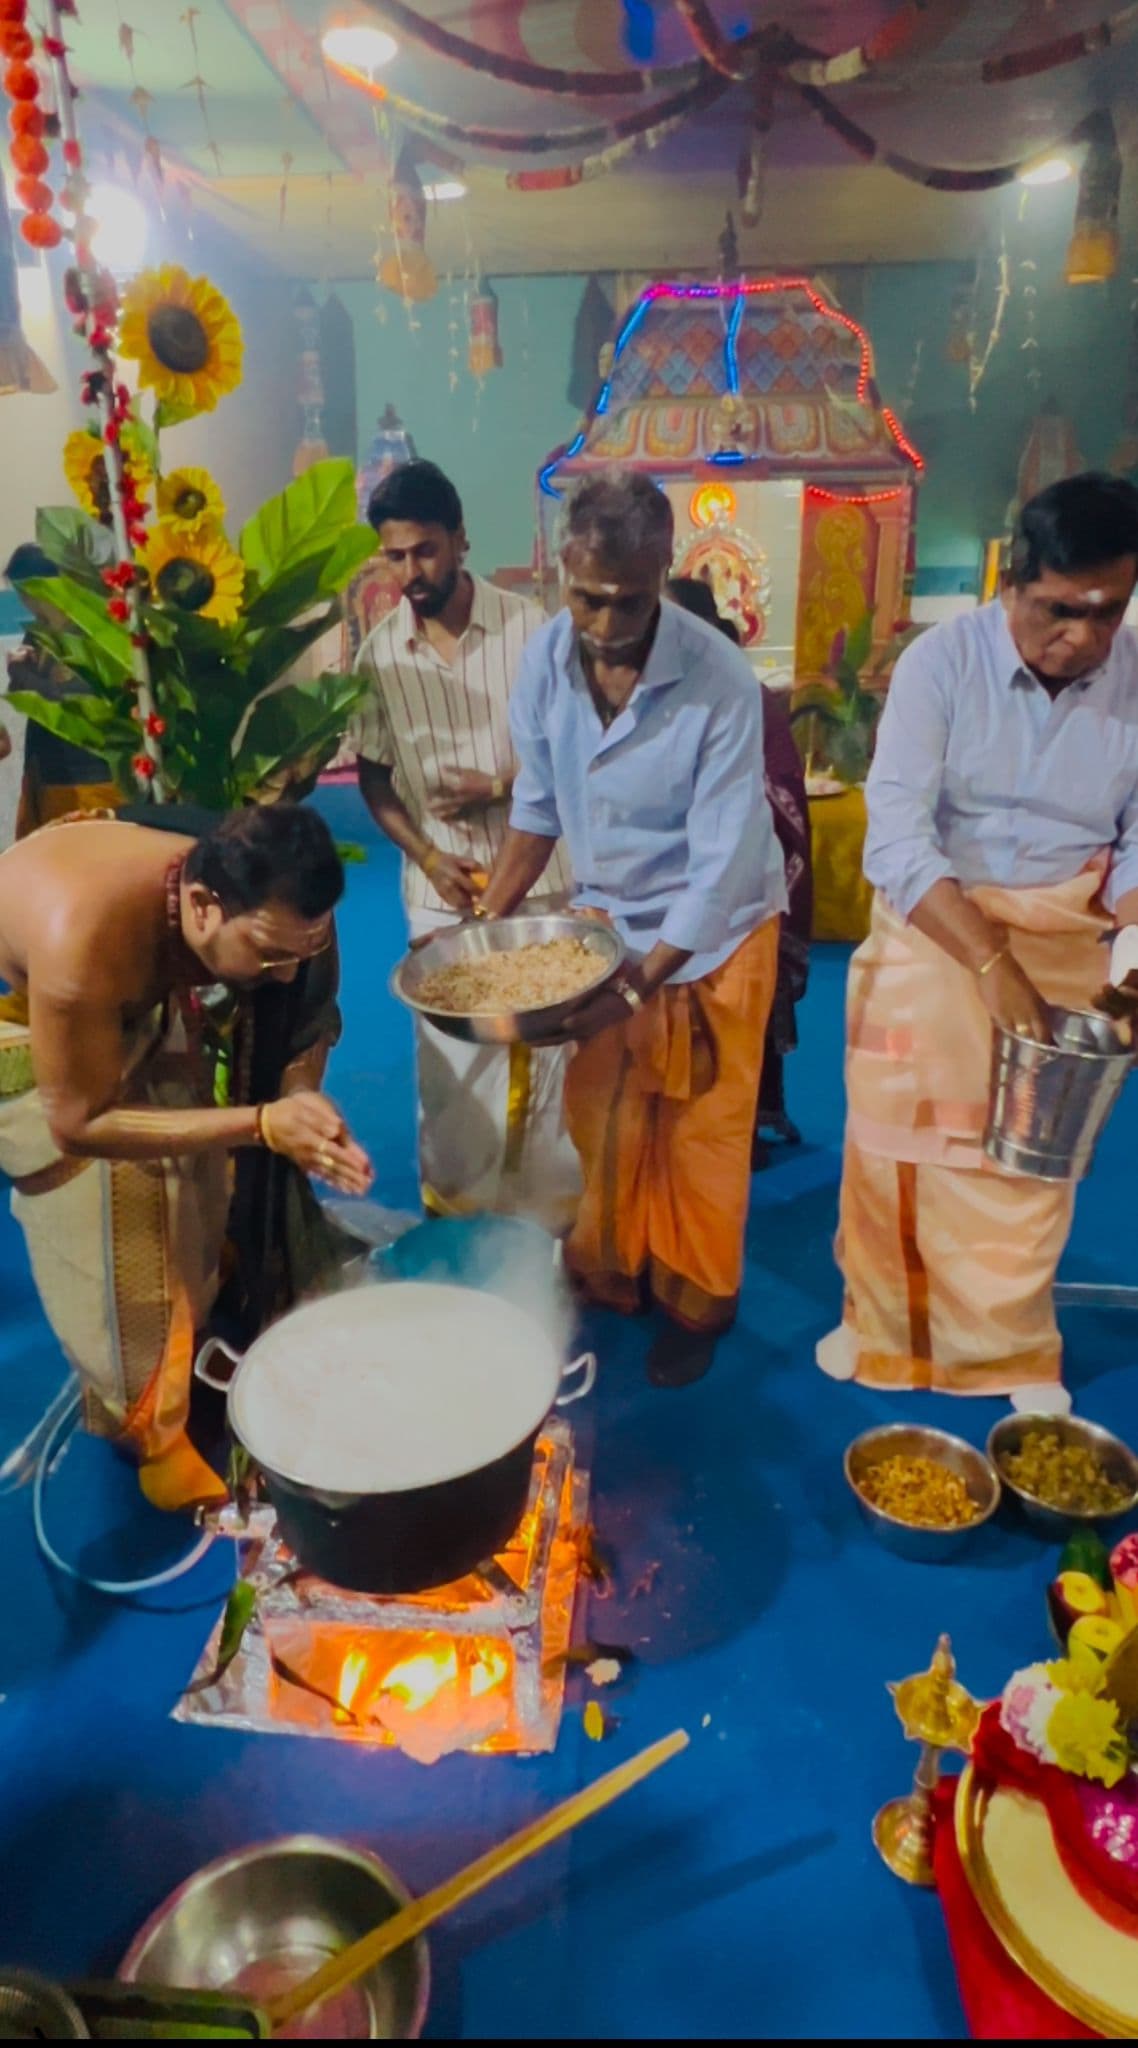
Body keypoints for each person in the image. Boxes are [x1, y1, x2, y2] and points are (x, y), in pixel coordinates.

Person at [823, 471, 1138, 1404]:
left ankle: (1001, 1354)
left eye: (1107, 612)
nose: (1080, 637)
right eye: (1057, 610)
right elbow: (896, 835)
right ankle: (879, 1332)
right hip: (939, 930)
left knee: (1023, 1166)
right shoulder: (940, 665)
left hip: (1064, 934)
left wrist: (1133, 933)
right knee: (896, 1145)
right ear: (1013, 583)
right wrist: (992, 965)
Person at [479, 471, 787, 1387]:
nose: (607, 623)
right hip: (611, 923)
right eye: (587, 599)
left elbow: (725, 857)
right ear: (559, 580)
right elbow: (536, 805)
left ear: (665, 573)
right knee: (604, 1108)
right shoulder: (543, 659)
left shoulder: (721, 679)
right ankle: (610, 1270)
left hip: (720, 929)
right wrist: (483, 927)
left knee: (700, 1124)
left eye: (629, 602)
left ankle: (699, 1300)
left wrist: (636, 985)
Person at [0, 805, 372, 1509]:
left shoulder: (274, 905)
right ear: (202, 907)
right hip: (31, 1021)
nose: (287, 974)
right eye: (271, 958)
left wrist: (299, 1097)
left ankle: (192, 1318)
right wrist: (262, 1124)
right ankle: (151, 1434)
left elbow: (306, 1012)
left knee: (199, 1176)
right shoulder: (83, 938)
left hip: (135, 984)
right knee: (119, 1221)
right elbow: (80, 1123)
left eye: (301, 951)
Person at [349, 458, 579, 1229]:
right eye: (395, 555)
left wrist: (502, 788)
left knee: (549, 1064)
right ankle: (459, 1225)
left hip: (543, 888)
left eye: (425, 551)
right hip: (439, 901)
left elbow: (575, 752)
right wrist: (428, 856)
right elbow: (376, 783)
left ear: (460, 541)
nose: (410, 571)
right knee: (452, 1074)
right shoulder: (379, 656)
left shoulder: (534, 634)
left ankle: (547, 1230)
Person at [667, 576, 812, 1165]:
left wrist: (716, 801)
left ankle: (740, 1131)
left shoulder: (748, 697)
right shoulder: (642, 696)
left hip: (740, 892)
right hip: (665, 892)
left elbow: (782, 791)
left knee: (733, 1024)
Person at [3, 544, 120, 835]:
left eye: (23, 593)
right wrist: (20, 673)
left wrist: (24, 676)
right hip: (45, 771)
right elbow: (30, 698)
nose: (24, 602)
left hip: (90, 777)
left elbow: (76, 702)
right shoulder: (40, 632)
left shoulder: (90, 631)